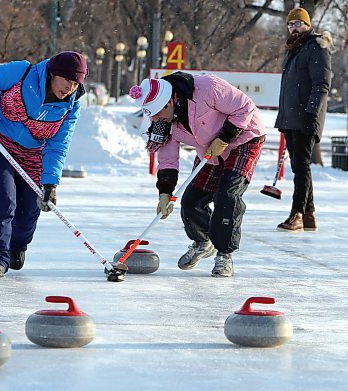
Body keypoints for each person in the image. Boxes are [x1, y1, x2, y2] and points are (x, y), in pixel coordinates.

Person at [129, 73, 266, 277]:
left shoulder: (207, 88)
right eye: (152, 115)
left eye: (158, 113)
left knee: (227, 195)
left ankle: (224, 254)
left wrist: (226, 136)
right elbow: (168, 159)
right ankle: (203, 241)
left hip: (243, 139)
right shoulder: (161, 121)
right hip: (209, 149)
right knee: (191, 200)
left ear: (171, 100)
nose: (156, 119)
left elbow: (244, 107)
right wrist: (165, 193)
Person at [0, 51, 88, 277]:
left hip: (33, 154)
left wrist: (51, 183)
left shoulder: (71, 107)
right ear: (53, 73)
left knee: (29, 209)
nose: (69, 88)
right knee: (2, 198)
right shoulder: (22, 72)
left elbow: (58, 145)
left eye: (75, 84)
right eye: (66, 81)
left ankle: (17, 245)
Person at [274, 7, 332, 232]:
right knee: (300, 166)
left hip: (306, 117)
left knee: (301, 167)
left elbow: (321, 84)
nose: (293, 27)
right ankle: (309, 215)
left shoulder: (316, 47)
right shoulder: (294, 49)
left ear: (307, 25)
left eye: (298, 23)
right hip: (291, 117)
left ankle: (296, 213)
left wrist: (311, 113)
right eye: (290, 24)